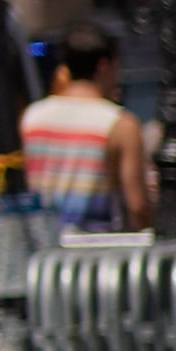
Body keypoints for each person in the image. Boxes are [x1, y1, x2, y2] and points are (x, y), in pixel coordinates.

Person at [17, 27, 154, 227]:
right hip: (94, 247)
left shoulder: (32, 117)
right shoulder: (120, 124)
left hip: (44, 244)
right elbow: (137, 205)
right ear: (104, 65)